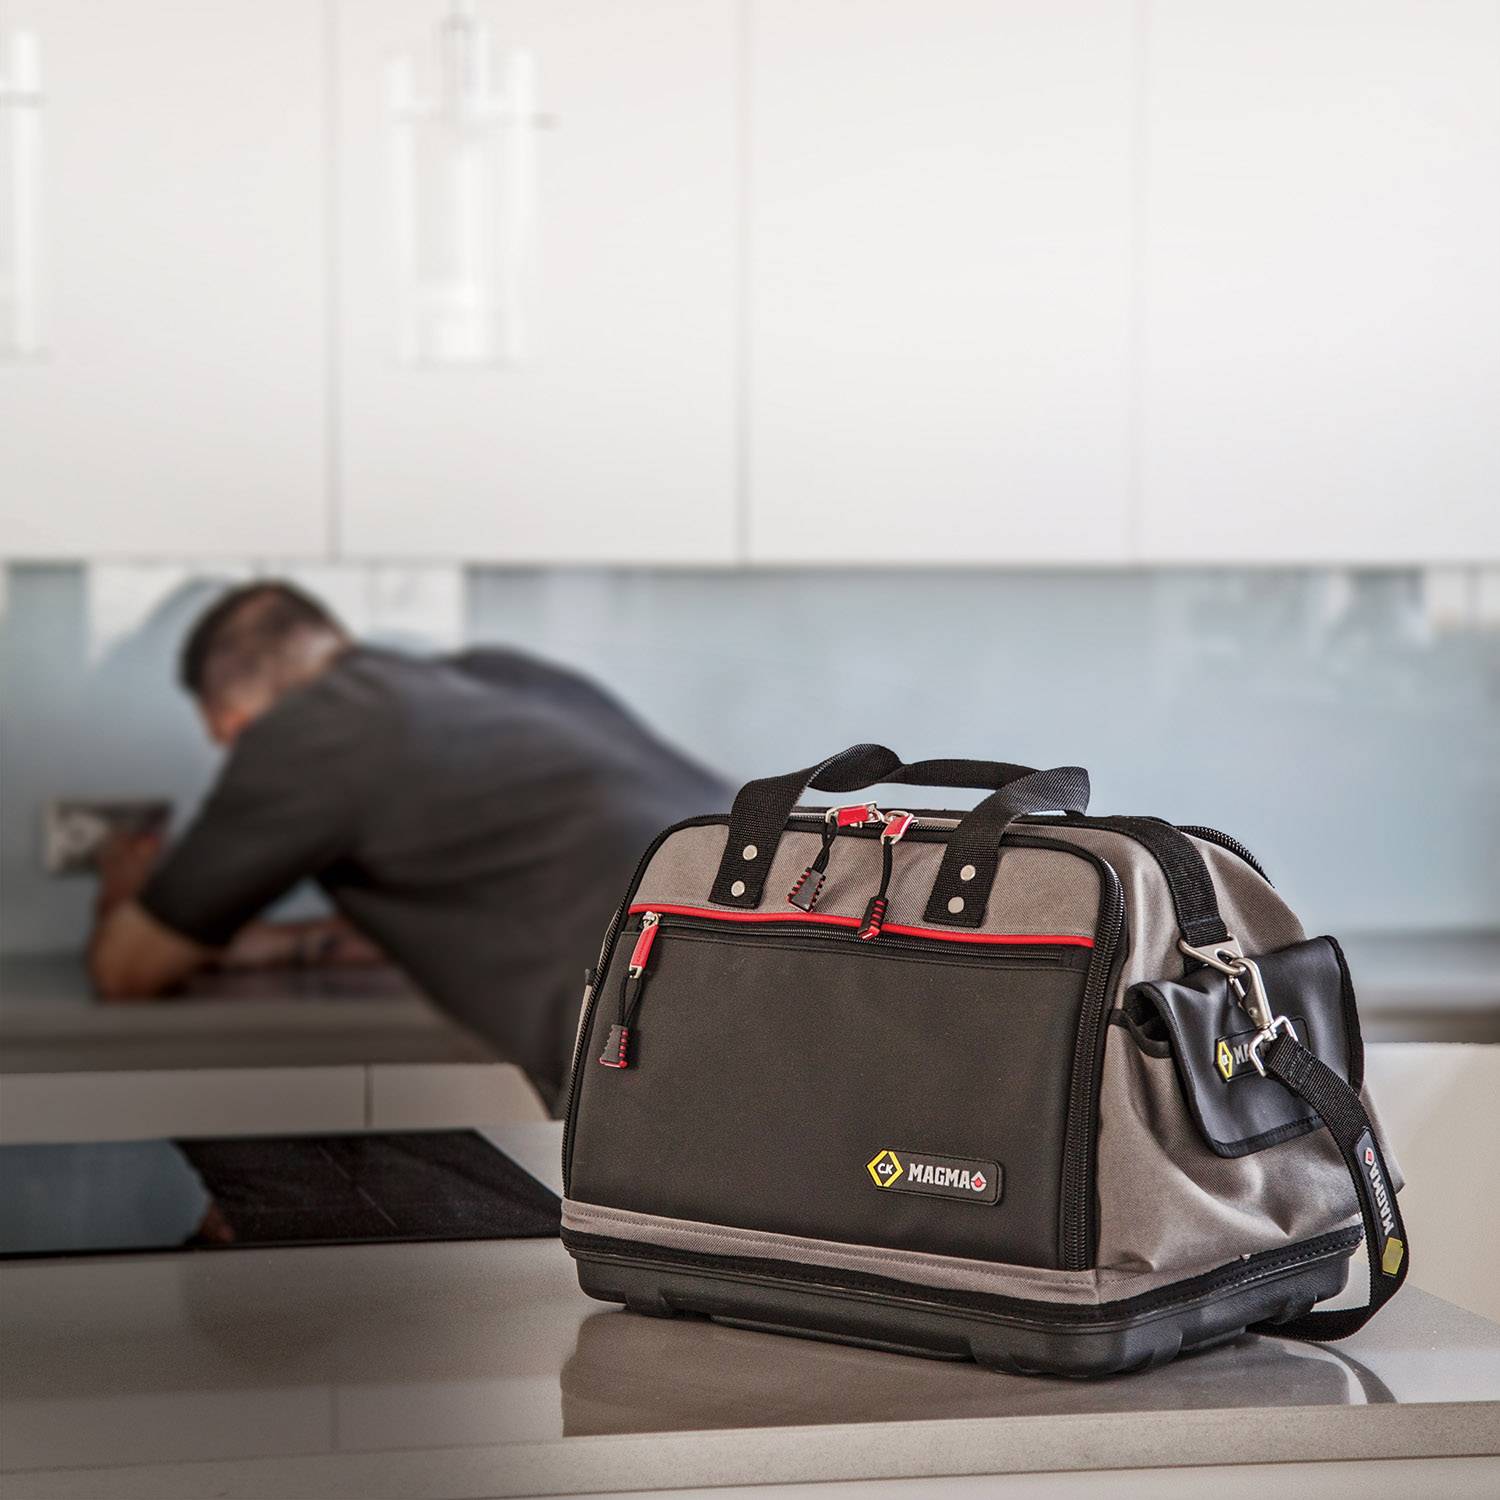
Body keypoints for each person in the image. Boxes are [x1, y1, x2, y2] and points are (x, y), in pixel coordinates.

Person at [88, 582, 729, 1114]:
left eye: (227, 741)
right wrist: (285, 944)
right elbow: (489, 882)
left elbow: (130, 972)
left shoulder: (307, 731)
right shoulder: (503, 676)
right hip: (793, 960)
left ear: (237, 716)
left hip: (655, 1036)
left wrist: (124, 879)